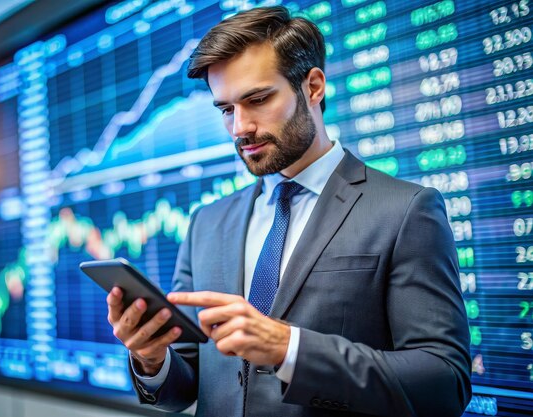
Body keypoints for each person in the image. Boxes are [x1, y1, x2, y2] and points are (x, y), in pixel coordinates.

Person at [106, 6, 471, 417]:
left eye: (257, 99)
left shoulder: (405, 210)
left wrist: (288, 348)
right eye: (226, 109)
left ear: (313, 86)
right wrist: (152, 360)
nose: (240, 127)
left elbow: (444, 382)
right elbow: (185, 386)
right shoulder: (206, 223)